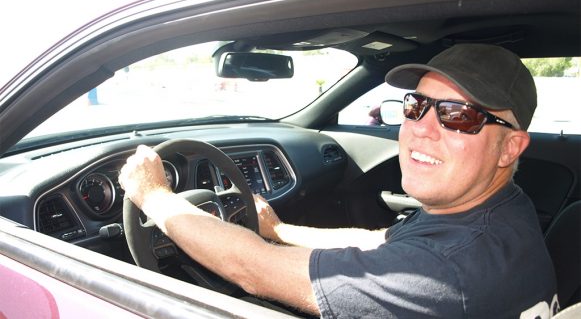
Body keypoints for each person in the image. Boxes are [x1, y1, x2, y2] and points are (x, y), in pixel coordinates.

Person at [119, 44, 558, 318]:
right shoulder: (499, 211)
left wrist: (154, 196)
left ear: (509, 148)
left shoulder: (446, 274)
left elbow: (252, 271)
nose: (420, 129)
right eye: (416, 106)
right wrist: (278, 230)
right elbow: (380, 243)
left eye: (458, 115)